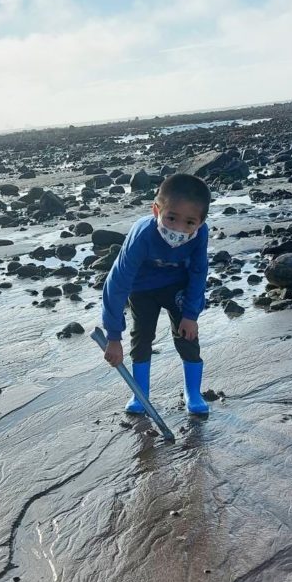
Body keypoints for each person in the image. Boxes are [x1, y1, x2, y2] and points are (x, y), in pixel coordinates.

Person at [101, 173, 211, 415]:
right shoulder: (142, 236)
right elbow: (117, 283)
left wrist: (191, 314)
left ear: (201, 223)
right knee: (141, 338)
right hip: (142, 288)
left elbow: (198, 272)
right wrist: (113, 336)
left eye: (190, 223)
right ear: (156, 210)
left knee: (187, 337)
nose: (179, 229)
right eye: (171, 218)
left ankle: (193, 392)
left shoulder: (200, 235)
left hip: (177, 285)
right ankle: (140, 395)